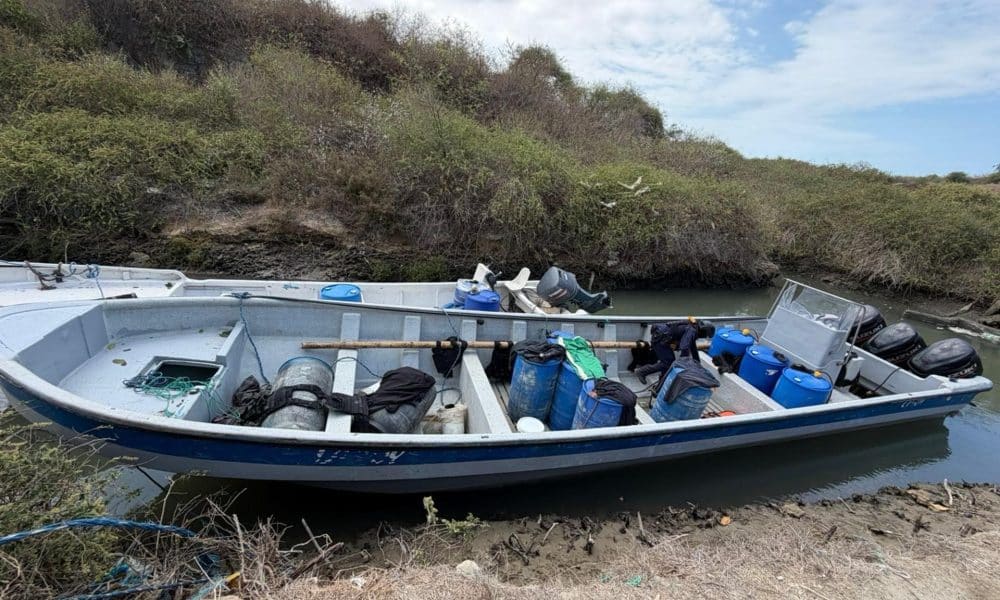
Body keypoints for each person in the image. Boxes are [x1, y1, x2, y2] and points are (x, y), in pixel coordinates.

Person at [633, 318, 715, 385]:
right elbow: (684, 347)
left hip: (662, 338)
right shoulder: (692, 330)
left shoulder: (693, 328)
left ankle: (661, 385)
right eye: (705, 335)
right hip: (659, 339)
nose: (703, 337)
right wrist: (684, 364)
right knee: (667, 363)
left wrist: (697, 363)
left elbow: (692, 348)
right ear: (703, 331)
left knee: (669, 363)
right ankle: (641, 371)